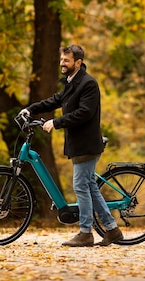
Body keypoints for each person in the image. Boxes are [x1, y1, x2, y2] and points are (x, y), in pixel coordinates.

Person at [19, 44, 123, 247]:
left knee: (80, 187)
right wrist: (30, 109)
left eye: (66, 60)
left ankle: (86, 233)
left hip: (86, 144)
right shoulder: (72, 83)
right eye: (61, 60)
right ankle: (112, 230)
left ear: (78, 62)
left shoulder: (88, 84)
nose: (62, 64)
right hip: (78, 144)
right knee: (89, 187)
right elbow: (56, 100)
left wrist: (56, 122)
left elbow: (84, 112)